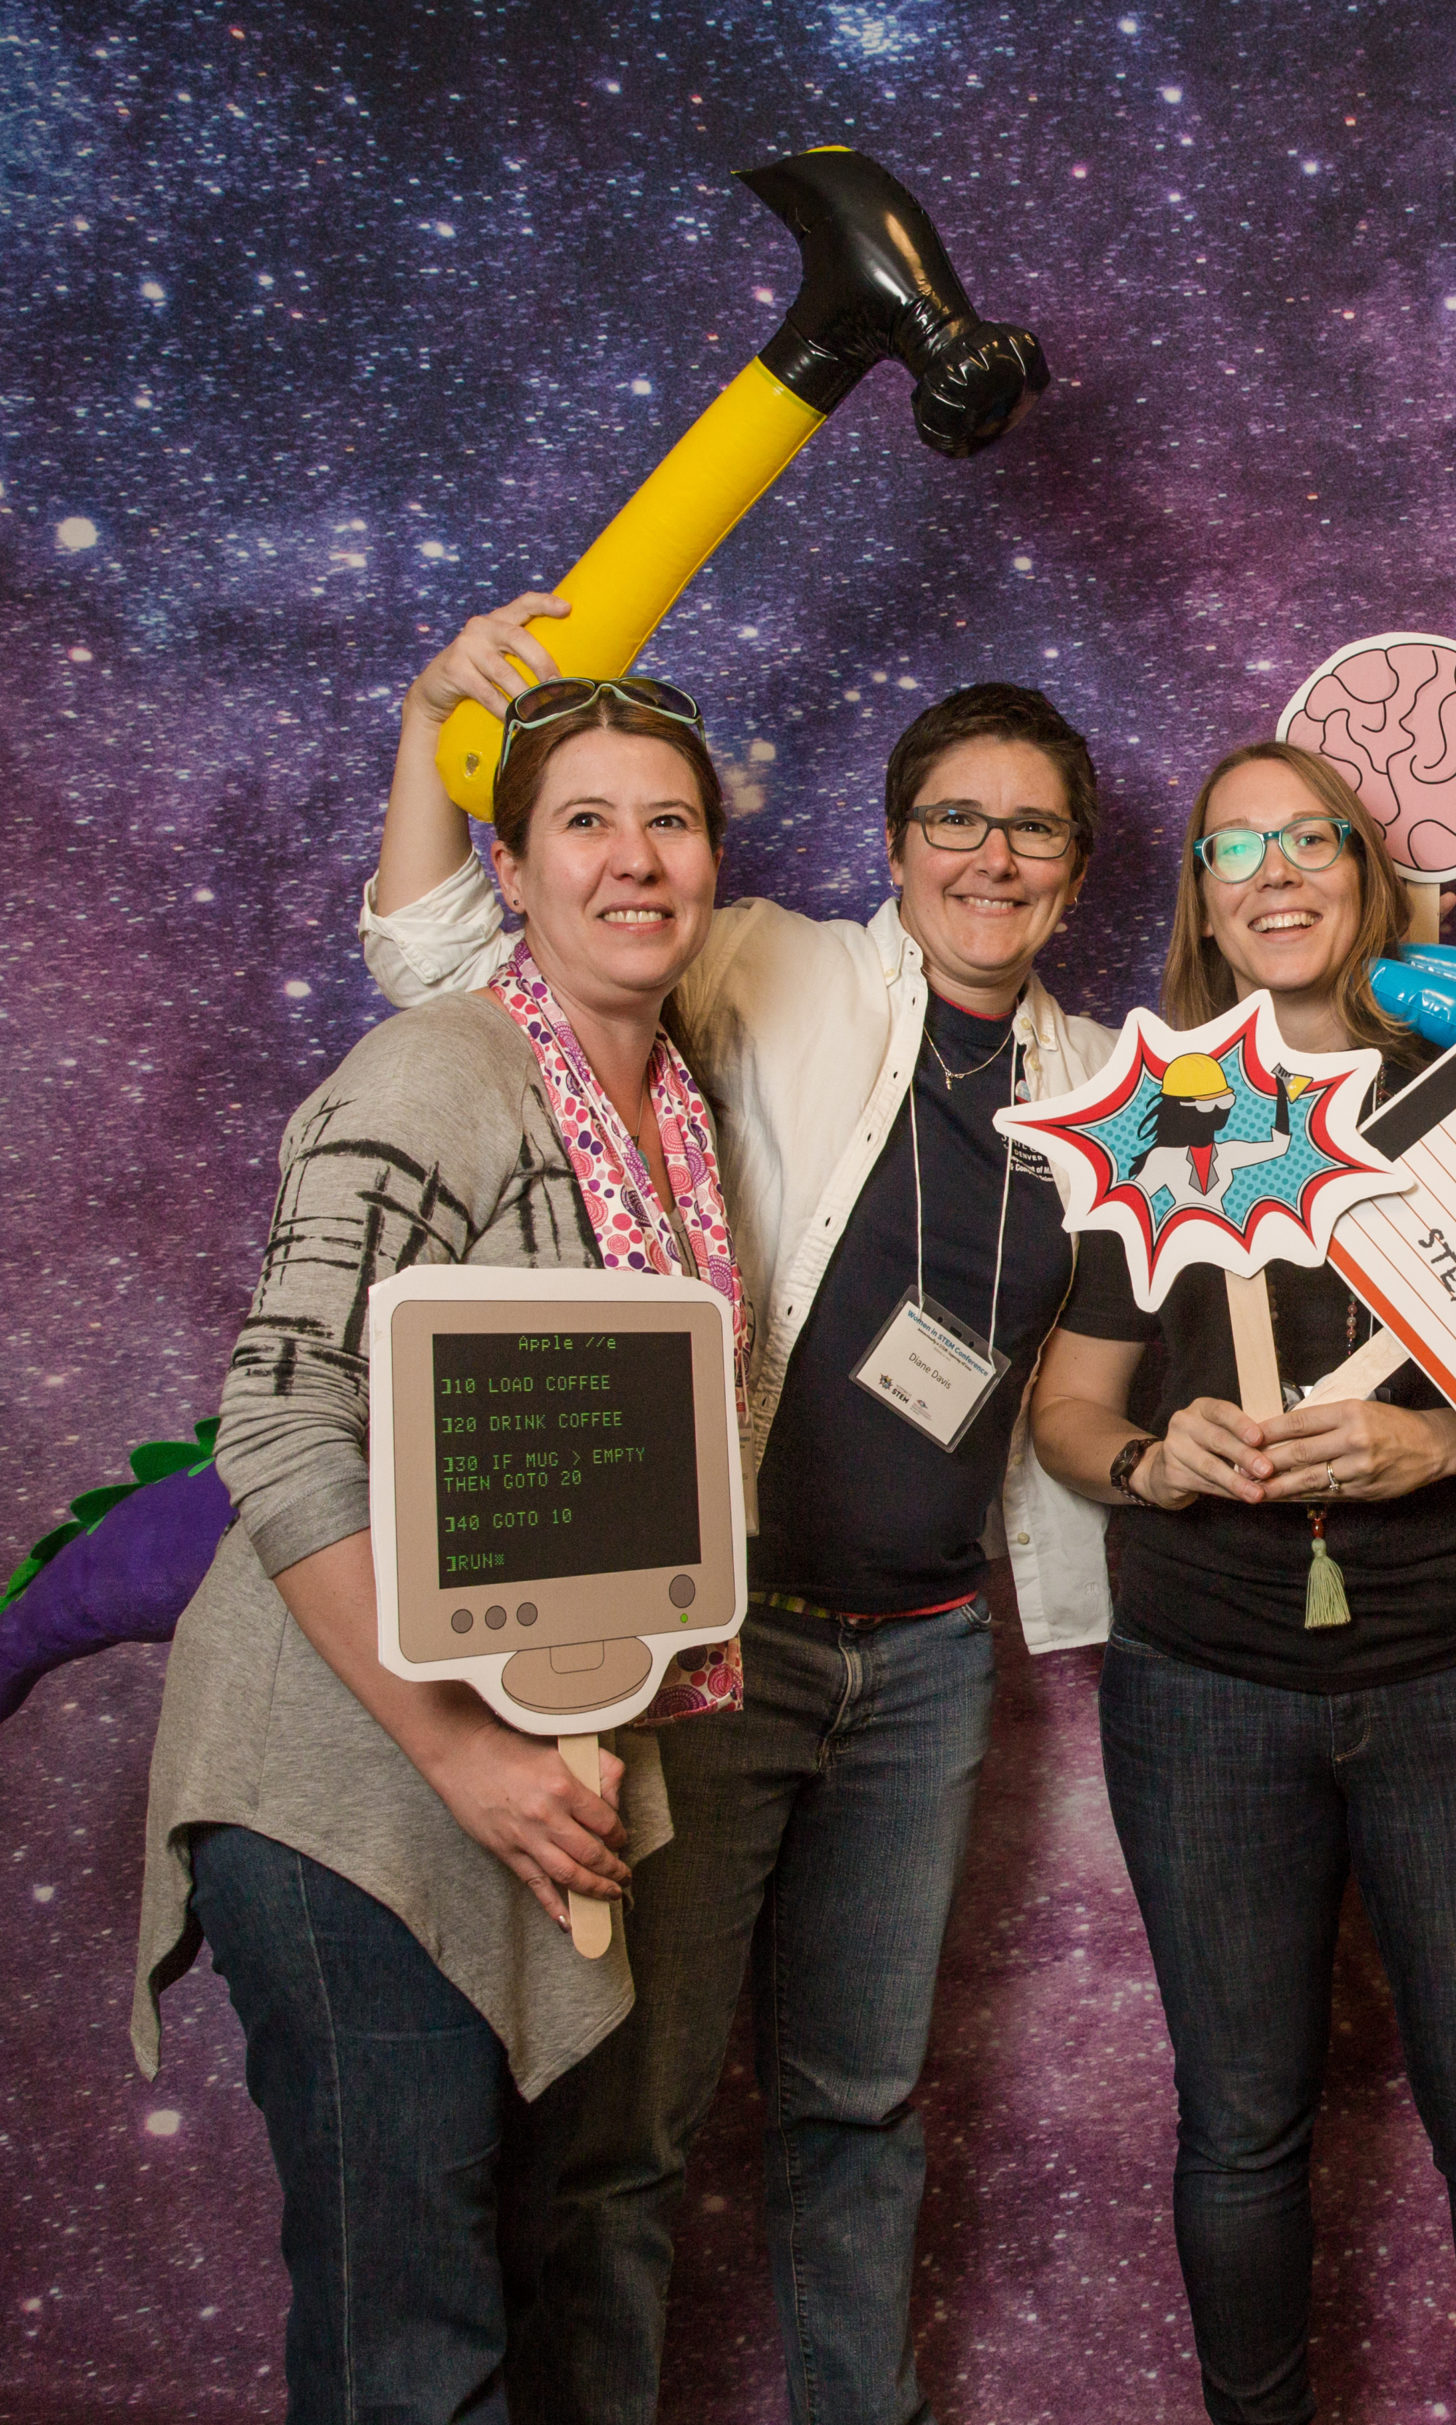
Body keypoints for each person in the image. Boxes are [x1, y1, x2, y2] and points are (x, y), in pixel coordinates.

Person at [360, 596, 1117, 2425]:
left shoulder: (1111, 1082)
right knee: (633, 2115)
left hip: (929, 1664)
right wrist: (423, 736)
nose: (988, 856)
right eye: (955, 817)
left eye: (1029, 828)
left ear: (1074, 872)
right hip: (724, 1650)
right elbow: (440, 951)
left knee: (862, 2104)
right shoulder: (767, 962)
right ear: (894, 845)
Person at [132, 670, 739, 2422]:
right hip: (356, 1779)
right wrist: (458, 1745)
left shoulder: (671, 1111)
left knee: (536, 2283)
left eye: (671, 820)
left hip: (542, 1764)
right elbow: (276, 1412)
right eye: (587, 822)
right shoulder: (443, 1068)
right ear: (516, 866)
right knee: (412, 2336)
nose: (635, 859)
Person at [1029, 740, 1456, 2425]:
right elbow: (1070, 1410)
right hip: (1204, 1690)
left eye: (1311, 839)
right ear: (1201, 895)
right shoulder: (1160, 1105)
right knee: (1239, 2125)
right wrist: (1150, 1457)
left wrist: (1446, 1447)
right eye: (1234, 846)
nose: (1276, 872)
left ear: (1365, 870)